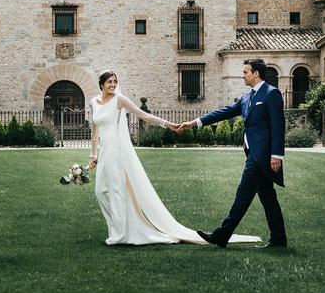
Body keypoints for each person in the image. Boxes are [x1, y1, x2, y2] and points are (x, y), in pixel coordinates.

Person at [88, 70, 261, 246]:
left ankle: (119, 234)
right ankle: (118, 227)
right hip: (105, 154)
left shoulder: (120, 100)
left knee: (117, 191)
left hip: (118, 152)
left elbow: (144, 116)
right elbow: (95, 130)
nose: (113, 85)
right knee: (100, 191)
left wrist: (167, 124)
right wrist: (93, 155)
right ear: (101, 83)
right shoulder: (94, 102)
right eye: (109, 82)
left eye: (115, 82)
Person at [175, 58, 287, 249]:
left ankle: (222, 235)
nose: (242, 75)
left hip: (262, 157)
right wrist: (195, 122)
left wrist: (276, 154)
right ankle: (279, 239)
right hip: (254, 155)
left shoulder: (271, 93)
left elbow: (278, 125)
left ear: (256, 74)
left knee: (243, 196)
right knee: (268, 198)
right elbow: (223, 112)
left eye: (245, 72)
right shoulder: (246, 98)